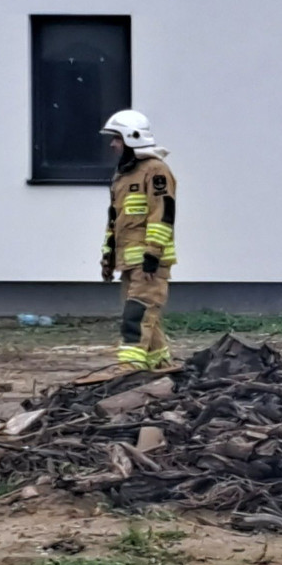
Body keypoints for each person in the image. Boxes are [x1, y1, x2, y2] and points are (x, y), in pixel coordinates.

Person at [99, 109, 178, 372]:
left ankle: (129, 370)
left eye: (117, 139)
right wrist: (108, 257)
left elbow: (162, 214)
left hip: (149, 265)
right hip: (129, 264)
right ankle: (162, 368)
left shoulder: (156, 170)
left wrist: (152, 256)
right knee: (147, 318)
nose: (112, 144)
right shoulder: (123, 176)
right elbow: (116, 220)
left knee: (136, 317)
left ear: (132, 138)